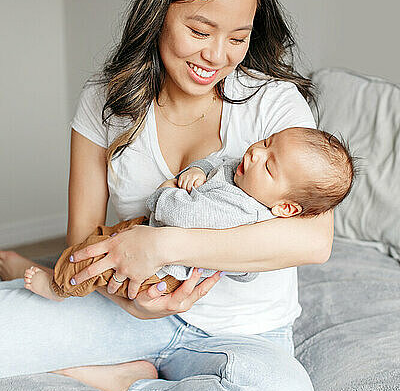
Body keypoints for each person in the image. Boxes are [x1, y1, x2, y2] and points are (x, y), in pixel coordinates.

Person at [0, 0, 335, 391]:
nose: (217, 56)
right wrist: (129, 299)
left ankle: (130, 384)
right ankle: (19, 269)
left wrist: (162, 246)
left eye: (238, 37)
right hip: (127, 315)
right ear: (160, 12)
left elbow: (312, 242)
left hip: (242, 334)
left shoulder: (275, 107)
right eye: (200, 30)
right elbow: (83, 242)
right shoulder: (104, 103)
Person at [23, 127, 354, 303]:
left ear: (286, 208)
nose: (255, 153)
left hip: (161, 271)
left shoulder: (239, 210)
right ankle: (52, 270)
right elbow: (216, 163)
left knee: (93, 265)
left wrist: (167, 189)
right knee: (97, 240)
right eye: (266, 142)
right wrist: (197, 170)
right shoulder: (243, 177)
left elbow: (176, 214)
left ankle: (57, 288)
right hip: (146, 233)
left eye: (268, 165)